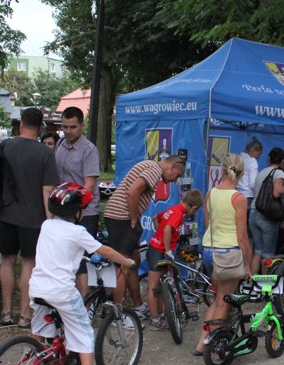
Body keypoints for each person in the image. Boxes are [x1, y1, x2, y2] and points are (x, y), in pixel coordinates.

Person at [28, 182, 135, 365]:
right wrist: (127, 261)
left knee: (41, 327)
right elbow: (104, 250)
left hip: (37, 288)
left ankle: (36, 359)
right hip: (62, 292)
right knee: (84, 331)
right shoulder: (78, 232)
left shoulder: (46, 225)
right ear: (77, 211)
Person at [0, 107, 59, 328]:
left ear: (21, 124)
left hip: (6, 213)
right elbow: (48, 189)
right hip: (33, 217)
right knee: (29, 263)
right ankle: (25, 314)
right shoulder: (45, 153)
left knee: (6, 260)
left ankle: (5, 312)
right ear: (40, 127)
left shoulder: (5, 146)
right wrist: (50, 221)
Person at [103, 155, 186, 318]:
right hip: (121, 218)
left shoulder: (151, 166)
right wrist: (134, 219)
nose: (175, 180)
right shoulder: (155, 170)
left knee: (134, 260)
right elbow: (133, 192)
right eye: (177, 176)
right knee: (123, 265)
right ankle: (118, 315)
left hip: (119, 216)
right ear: (172, 167)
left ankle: (138, 306)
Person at [193, 154, 252, 355]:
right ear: (242, 174)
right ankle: (213, 343)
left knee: (217, 297)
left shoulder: (210, 194)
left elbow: (208, 224)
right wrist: (247, 266)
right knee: (223, 302)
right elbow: (242, 237)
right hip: (229, 254)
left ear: (222, 170)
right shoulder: (239, 199)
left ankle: (202, 343)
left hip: (210, 251)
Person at [55, 106, 101, 296]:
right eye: (64, 126)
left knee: (81, 260)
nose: (68, 131)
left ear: (82, 126)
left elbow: (89, 185)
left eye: (72, 127)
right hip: (63, 211)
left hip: (84, 212)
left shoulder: (89, 150)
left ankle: (84, 303)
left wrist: (76, 208)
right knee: (64, 258)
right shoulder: (60, 144)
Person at [146, 189, 204, 331]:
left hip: (158, 249)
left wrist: (159, 235)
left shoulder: (174, 209)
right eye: (196, 211)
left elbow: (156, 218)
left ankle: (161, 315)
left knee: (162, 285)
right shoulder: (178, 213)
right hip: (157, 251)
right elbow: (167, 229)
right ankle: (155, 320)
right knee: (154, 286)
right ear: (194, 207)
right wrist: (167, 249)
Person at [249, 147, 284, 274]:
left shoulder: (261, 172)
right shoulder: (279, 173)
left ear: (269, 158)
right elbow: (276, 193)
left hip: (253, 213)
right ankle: (265, 284)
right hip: (267, 216)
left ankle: (252, 282)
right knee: (268, 255)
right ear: (282, 161)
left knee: (258, 251)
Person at [236, 138, 263, 207]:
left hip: (236, 194)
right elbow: (252, 183)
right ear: (252, 150)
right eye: (258, 154)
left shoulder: (237, 158)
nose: (258, 157)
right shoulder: (252, 161)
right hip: (247, 195)